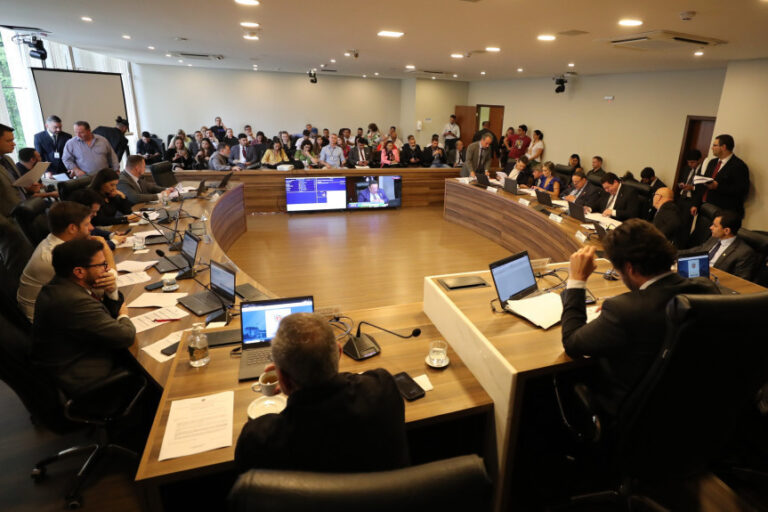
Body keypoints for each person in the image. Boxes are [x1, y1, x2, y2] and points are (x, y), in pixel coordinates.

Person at [561, 219, 719, 418]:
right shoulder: (707, 288)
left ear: (630, 269)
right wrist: (629, 302)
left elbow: (572, 343)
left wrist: (576, 280)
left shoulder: (624, 311)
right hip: (693, 406)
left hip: (632, 413)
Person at [234, 312, 408, 473]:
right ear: (339, 353)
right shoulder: (383, 388)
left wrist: (287, 380)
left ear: (284, 380)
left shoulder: (257, 440)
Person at [31, 238, 136, 395]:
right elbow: (125, 336)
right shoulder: (73, 301)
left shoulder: (61, 284)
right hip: (84, 377)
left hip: (77, 355)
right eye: (102, 265)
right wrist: (123, 316)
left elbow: (102, 314)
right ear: (79, 271)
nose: (107, 270)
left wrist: (111, 290)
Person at [17, 201, 110, 321]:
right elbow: (101, 287)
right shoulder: (52, 256)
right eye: (87, 224)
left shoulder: (57, 241)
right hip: (49, 323)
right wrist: (105, 248)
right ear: (72, 228)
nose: (92, 228)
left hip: (62, 308)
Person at [681, 211, 757, 280]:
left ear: (726, 231)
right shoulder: (714, 239)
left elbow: (740, 281)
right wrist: (673, 253)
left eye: (715, 226)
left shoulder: (744, 252)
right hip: (696, 275)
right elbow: (698, 250)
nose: (710, 227)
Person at [701, 134, 750, 218]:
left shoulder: (739, 165)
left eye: (715, 145)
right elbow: (704, 181)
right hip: (707, 207)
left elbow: (742, 190)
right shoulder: (712, 162)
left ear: (723, 147)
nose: (712, 148)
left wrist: (718, 186)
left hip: (724, 212)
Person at [0, 124, 29, 217]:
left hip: (24, 211)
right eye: (9, 141)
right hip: (8, 221)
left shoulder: (8, 159)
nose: (14, 144)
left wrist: (28, 188)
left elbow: (13, 186)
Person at [676, 148, 705, 218]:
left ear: (699, 160)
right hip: (681, 198)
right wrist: (681, 185)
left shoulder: (703, 171)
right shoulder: (686, 168)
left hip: (691, 201)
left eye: (692, 162)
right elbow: (681, 180)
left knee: (685, 223)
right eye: (688, 162)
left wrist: (692, 187)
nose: (690, 164)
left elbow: (703, 188)